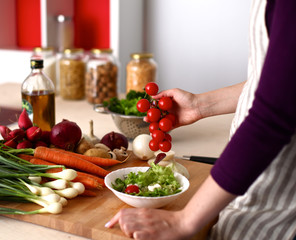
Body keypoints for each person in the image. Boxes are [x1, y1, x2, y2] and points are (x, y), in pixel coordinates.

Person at [105, 0, 296, 239]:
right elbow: (280, 85)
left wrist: (184, 220)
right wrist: (200, 105)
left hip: (276, 216)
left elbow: (272, 118)